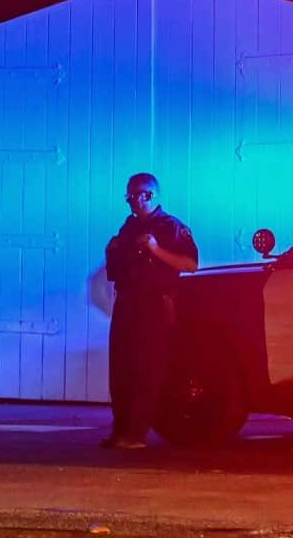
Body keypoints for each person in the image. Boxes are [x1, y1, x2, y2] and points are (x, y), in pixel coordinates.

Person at [102, 173, 199, 449]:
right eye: (128, 197)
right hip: (128, 303)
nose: (131, 202)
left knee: (147, 369)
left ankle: (136, 434)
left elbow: (190, 263)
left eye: (135, 196)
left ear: (149, 196)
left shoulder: (171, 227)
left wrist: (156, 250)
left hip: (155, 305)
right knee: (122, 369)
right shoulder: (129, 227)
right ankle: (120, 430)